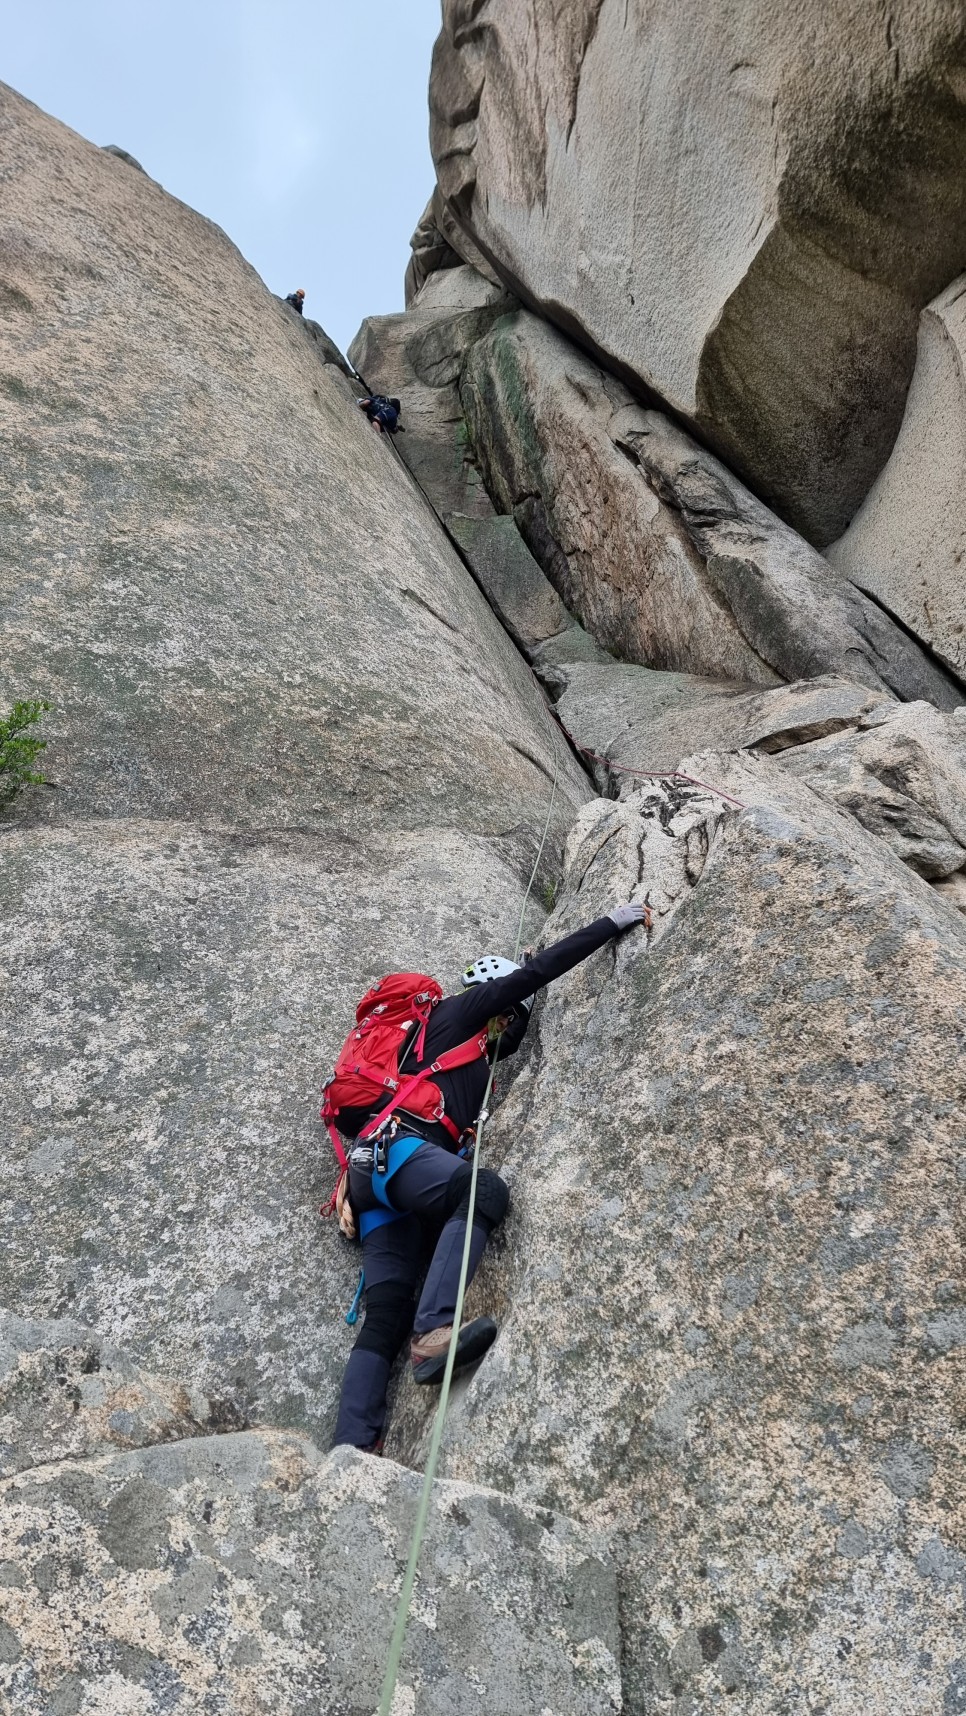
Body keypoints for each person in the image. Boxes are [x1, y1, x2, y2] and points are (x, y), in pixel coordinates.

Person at [331, 902, 649, 1451]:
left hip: (374, 1171)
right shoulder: (460, 1012)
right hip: (402, 1151)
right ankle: (435, 1332)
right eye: (509, 1014)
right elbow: (538, 972)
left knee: (385, 1314)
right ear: (496, 998)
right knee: (481, 1189)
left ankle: (350, 1447)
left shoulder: (452, 1050)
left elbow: (493, 1049)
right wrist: (612, 923)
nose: (507, 1026)